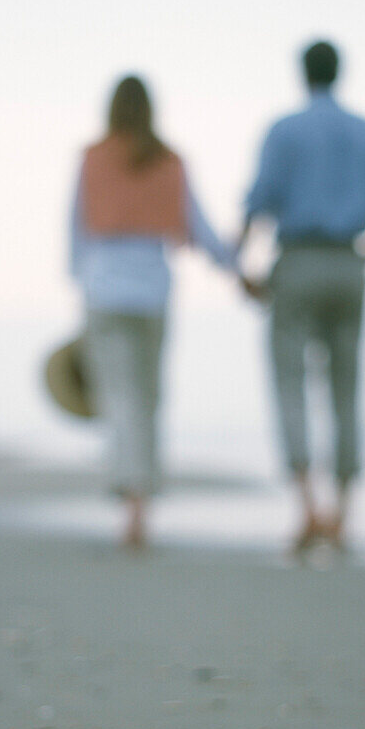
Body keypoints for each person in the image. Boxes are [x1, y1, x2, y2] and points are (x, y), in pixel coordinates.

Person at [238, 40, 365, 555]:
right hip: (348, 262)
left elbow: (258, 201)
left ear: (302, 74)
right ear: (341, 73)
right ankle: (342, 515)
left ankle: (307, 508)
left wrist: (241, 268)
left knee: (289, 383)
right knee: (346, 387)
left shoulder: (284, 131)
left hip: (296, 260)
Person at [71, 74, 241, 548]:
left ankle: (130, 498)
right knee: (148, 398)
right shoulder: (169, 161)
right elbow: (201, 226)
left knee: (119, 398)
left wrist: (77, 284)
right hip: (153, 291)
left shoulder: (93, 159)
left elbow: (75, 230)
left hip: (104, 288)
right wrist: (236, 268)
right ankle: (142, 500)